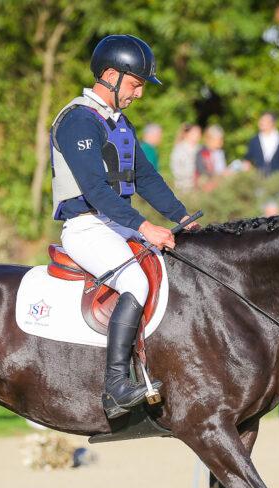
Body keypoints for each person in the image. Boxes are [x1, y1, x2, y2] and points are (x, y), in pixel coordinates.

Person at [49, 34, 196, 418]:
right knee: (136, 282)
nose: (138, 94)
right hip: (86, 226)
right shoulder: (78, 120)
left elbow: (146, 178)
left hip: (116, 225)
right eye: (135, 84)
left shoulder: (120, 123)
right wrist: (146, 227)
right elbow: (96, 191)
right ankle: (115, 385)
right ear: (110, 76)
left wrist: (181, 217)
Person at [243, 112, 279, 177]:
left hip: (278, 179)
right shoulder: (254, 141)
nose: (261, 123)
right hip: (259, 179)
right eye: (261, 121)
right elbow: (248, 159)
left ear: (272, 123)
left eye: (264, 121)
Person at [195, 125, 228, 191]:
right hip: (207, 184)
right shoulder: (202, 152)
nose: (221, 142)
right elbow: (201, 171)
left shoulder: (220, 152)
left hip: (220, 181)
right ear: (210, 139)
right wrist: (218, 174)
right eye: (219, 139)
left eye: (221, 139)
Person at [169, 123, 201, 193]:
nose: (198, 135)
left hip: (199, 188)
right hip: (184, 188)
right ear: (186, 134)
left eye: (199, 133)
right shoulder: (179, 149)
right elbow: (176, 171)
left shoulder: (200, 148)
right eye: (195, 133)